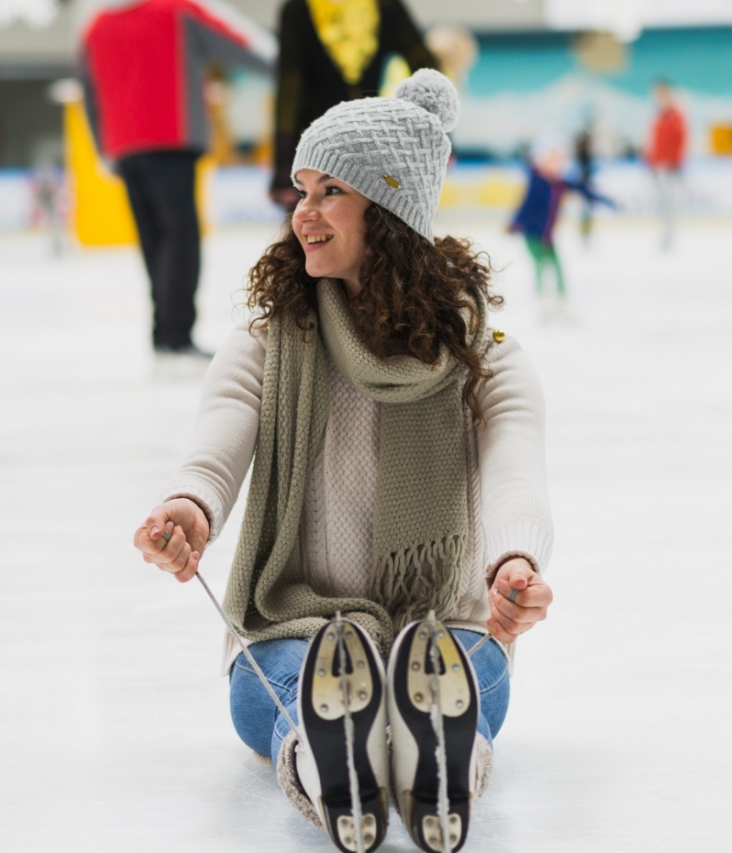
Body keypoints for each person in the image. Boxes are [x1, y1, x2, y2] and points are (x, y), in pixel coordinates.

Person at [132, 71, 554, 853]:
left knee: (464, 669)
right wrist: (189, 505)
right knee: (287, 681)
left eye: (330, 190)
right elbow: (221, 434)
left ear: (387, 207)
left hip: (437, 622)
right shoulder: (269, 342)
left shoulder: (481, 354)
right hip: (294, 615)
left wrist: (514, 561)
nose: (303, 210)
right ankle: (328, 754)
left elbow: (514, 460)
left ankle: (442, 755)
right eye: (300, 188)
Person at [80, 0, 274, 358]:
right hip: (171, 137)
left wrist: (102, 148)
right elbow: (236, 43)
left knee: (153, 242)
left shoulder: (96, 27)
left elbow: (89, 93)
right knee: (180, 240)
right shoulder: (174, 9)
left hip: (123, 147)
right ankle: (176, 337)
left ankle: (164, 334)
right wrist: (289, 67)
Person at [269, 0, 438, 210]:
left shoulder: (386, 7)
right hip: (348, 145)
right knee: (364, 231)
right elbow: (290, 89)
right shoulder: (299, 9)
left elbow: (289, 90)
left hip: (344, 146)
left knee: (374, 232)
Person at [509, 135, 613, 319]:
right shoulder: (537, 182)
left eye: (560, 160)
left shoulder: (560, 183)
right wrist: (515, 223)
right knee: (541, 264)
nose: (556, 164)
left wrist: (605, 200)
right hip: (532, 234)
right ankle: (542, 301)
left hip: (547, 235)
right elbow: (526, 205)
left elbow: (584, 190)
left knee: (557, 266)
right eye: (552, 159)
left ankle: (561, 301)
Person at [644, 78, 686, 250]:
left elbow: (680, 137)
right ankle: (665, 234)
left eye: (661, 92)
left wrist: (676, 161)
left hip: (670, 166)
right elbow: (652, 140)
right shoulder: (657, 114)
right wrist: (649, 159)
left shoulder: (674, 114)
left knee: (670, 201)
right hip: (658, 165)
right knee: (662, 201)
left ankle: (669, 235)